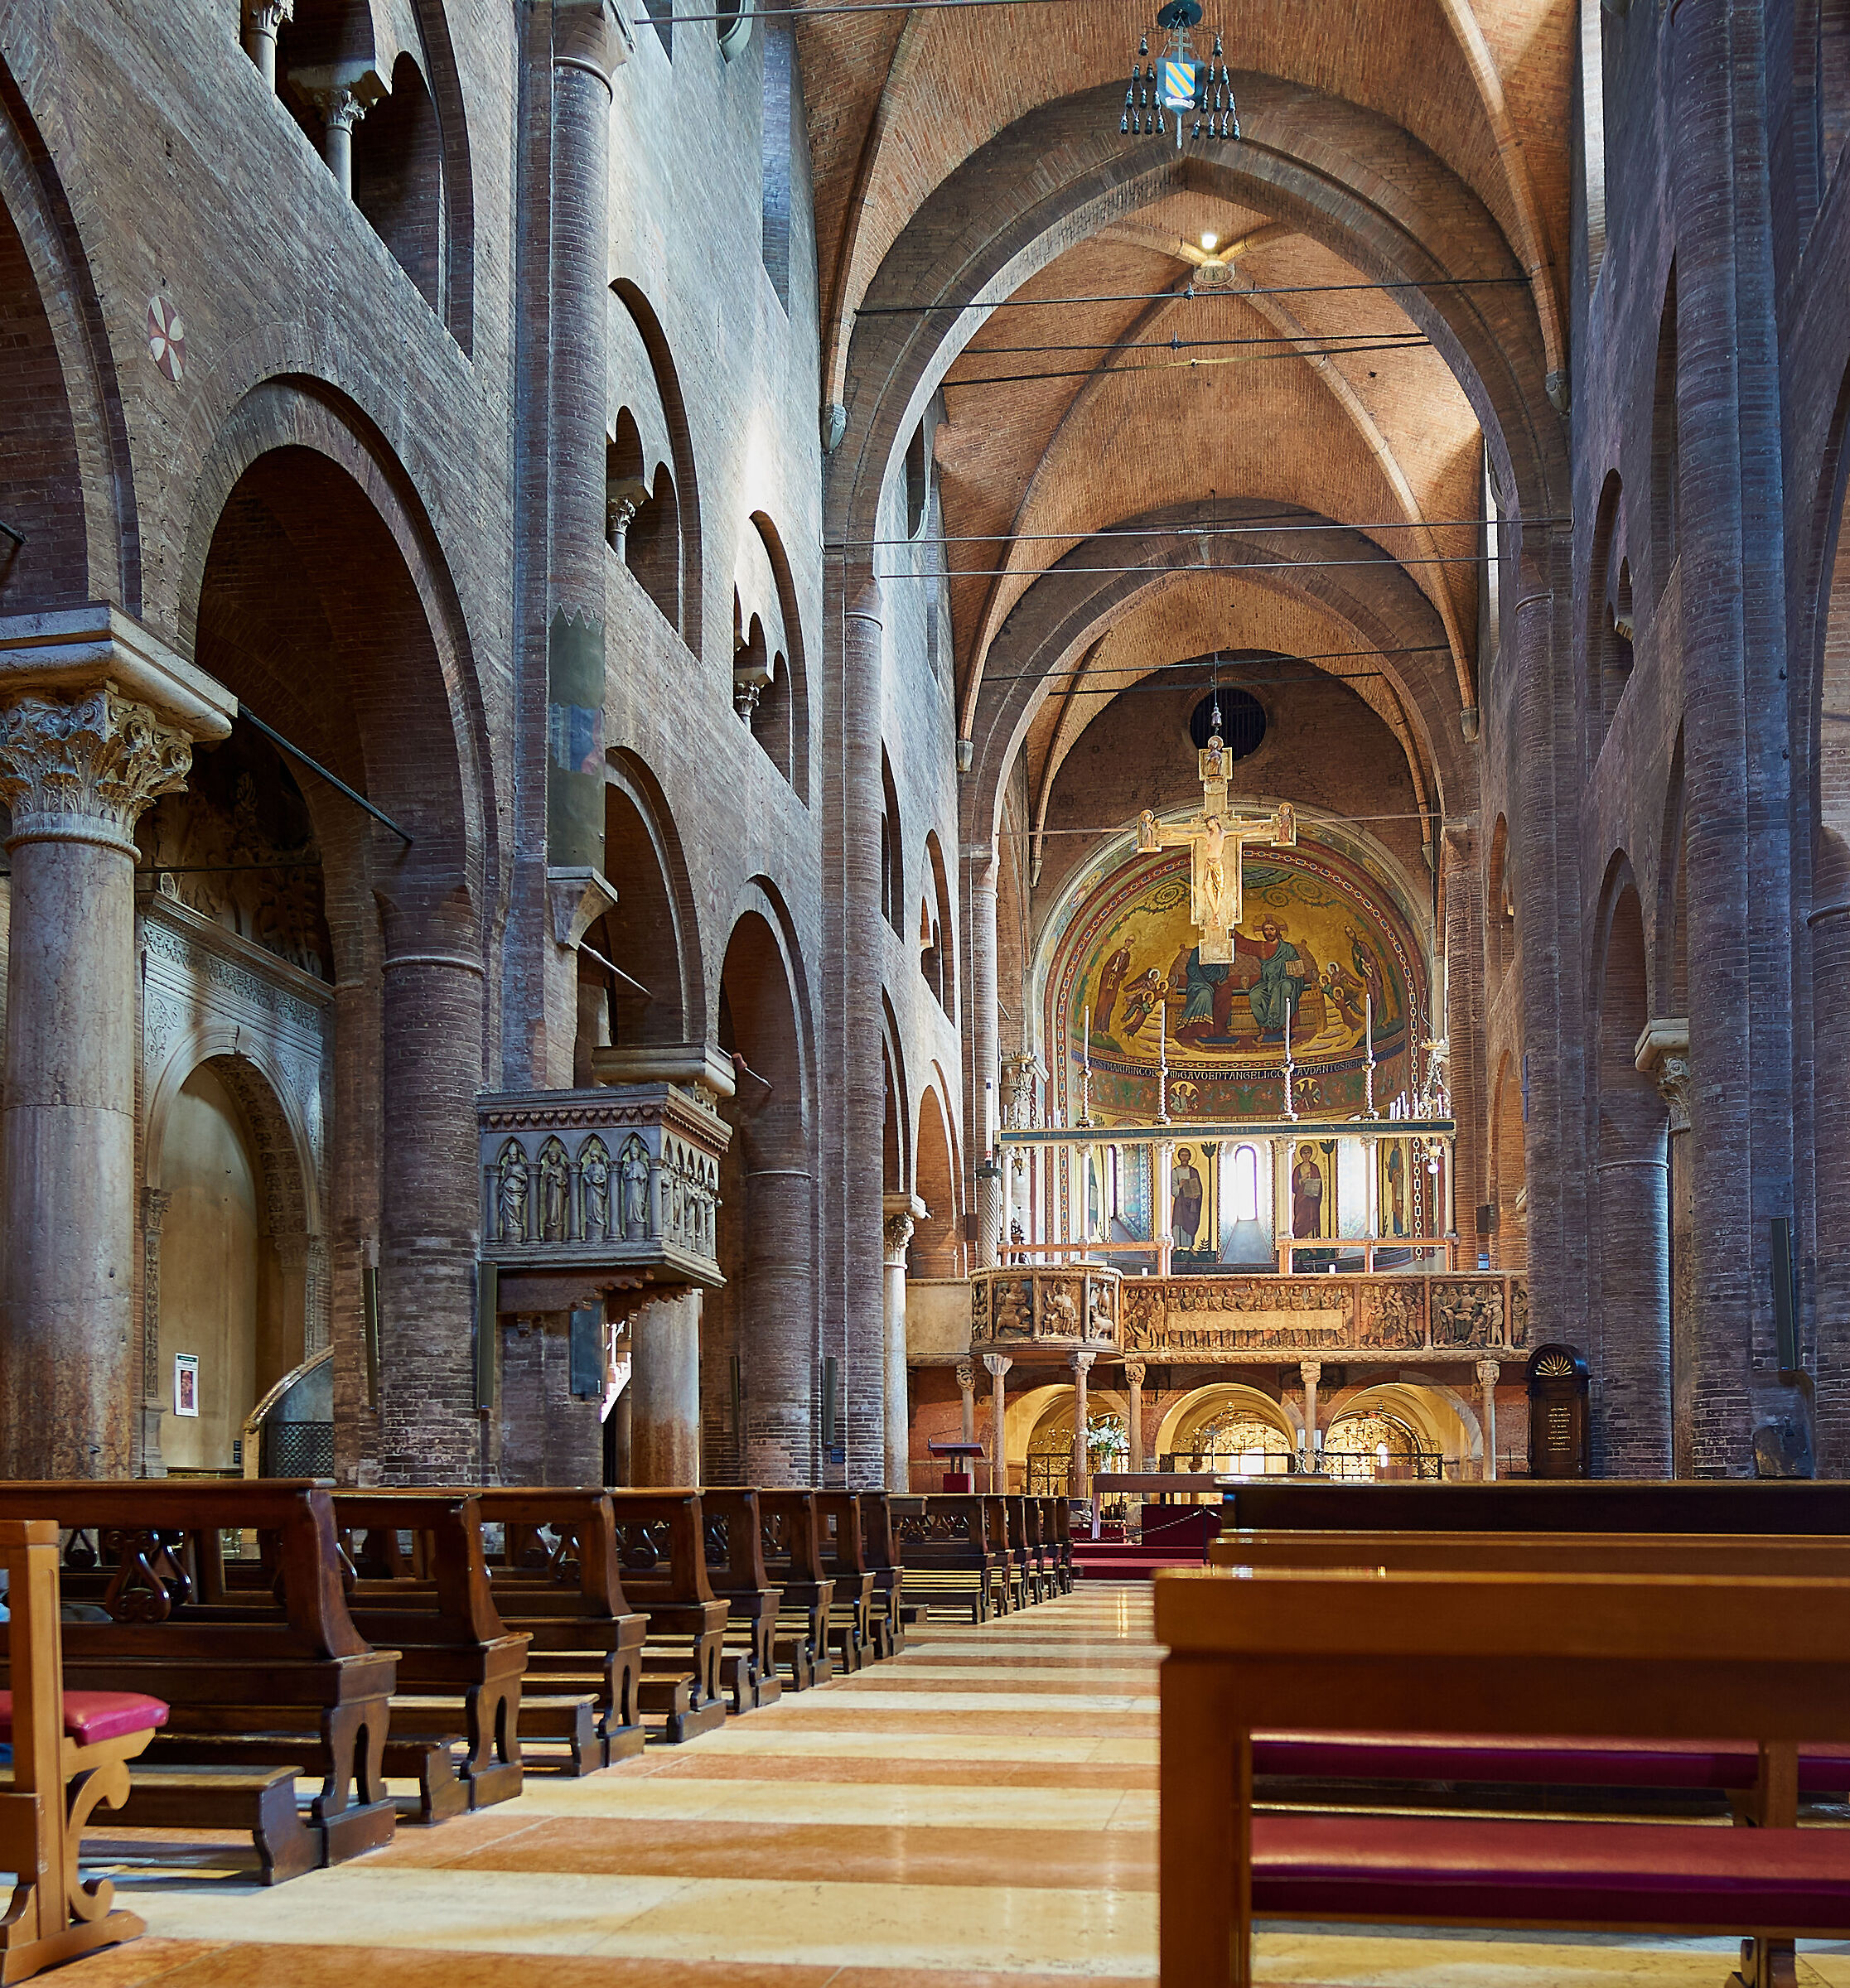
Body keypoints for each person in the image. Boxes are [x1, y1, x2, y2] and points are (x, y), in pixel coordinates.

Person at [1249, 916, 1307, 1040]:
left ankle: (1285, 1027)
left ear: (1277, 931)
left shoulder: (1287, 948)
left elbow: (1296, 964)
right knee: (1254, 994)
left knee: (1284, 988)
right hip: (1267, 982)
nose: (1269, 932)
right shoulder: (1262, 948)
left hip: (1287, 980)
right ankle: (1263, 1028)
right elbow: (1245, 945)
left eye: (1272, 929)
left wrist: (1297, 974)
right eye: (1266, 930)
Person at [1171, 1146, 1204, 1252]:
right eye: (1182, 1155)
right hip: (1180, 1202)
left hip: (1192, 1202)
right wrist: (1180, 1185)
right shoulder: (1175, 1171)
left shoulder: (1194, 1171)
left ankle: (1190, 1247)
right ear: (1179, 1157)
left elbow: (1198, 1187)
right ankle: (1175, 1246)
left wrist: (1196, 1195)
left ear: (1190, 1157)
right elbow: (1173, 1188)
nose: (1184, 1157)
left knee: (1191, 1221)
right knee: (1178, 1222)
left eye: (1186, 1155)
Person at [1292, 1141, 1325, 1238]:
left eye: (1308, 1153)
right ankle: (1300, 1241)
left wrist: (1315, 1190)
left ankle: (1312, 1241)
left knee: (1312, 1218)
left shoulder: (1314, 1168)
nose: (1306, 1155)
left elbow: (1319, 1184)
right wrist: (1303, 1179)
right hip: (1301, 1199)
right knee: (1300, 1219)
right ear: (1301, 1155)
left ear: (1311, 1154)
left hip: (1312, 1199)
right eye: (1304, 1153)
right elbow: (1294, 1186)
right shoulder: (1298, 1168)